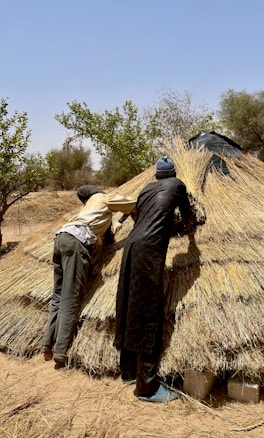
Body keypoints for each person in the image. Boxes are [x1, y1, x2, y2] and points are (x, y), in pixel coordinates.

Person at [114, 156, 195, 402]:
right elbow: (188, 215)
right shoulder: (178, 185)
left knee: (128, 305)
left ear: (157, 176)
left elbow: (140, 219)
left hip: (131, 246)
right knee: (148, 313)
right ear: (173, 173)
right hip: (149, 251)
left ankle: (128, 370)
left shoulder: (145, 189)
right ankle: (146, 387)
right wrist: (188, 230)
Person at [43, 185, 136, 369]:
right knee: (71, 298)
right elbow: (132, 203)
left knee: (58, 296)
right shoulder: (102, 198)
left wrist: (113, 225)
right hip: (76, 243)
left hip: (61, 238)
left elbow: (107, 238)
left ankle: (47, 345)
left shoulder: (87, 210)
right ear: (97, 192)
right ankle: (60, 353)